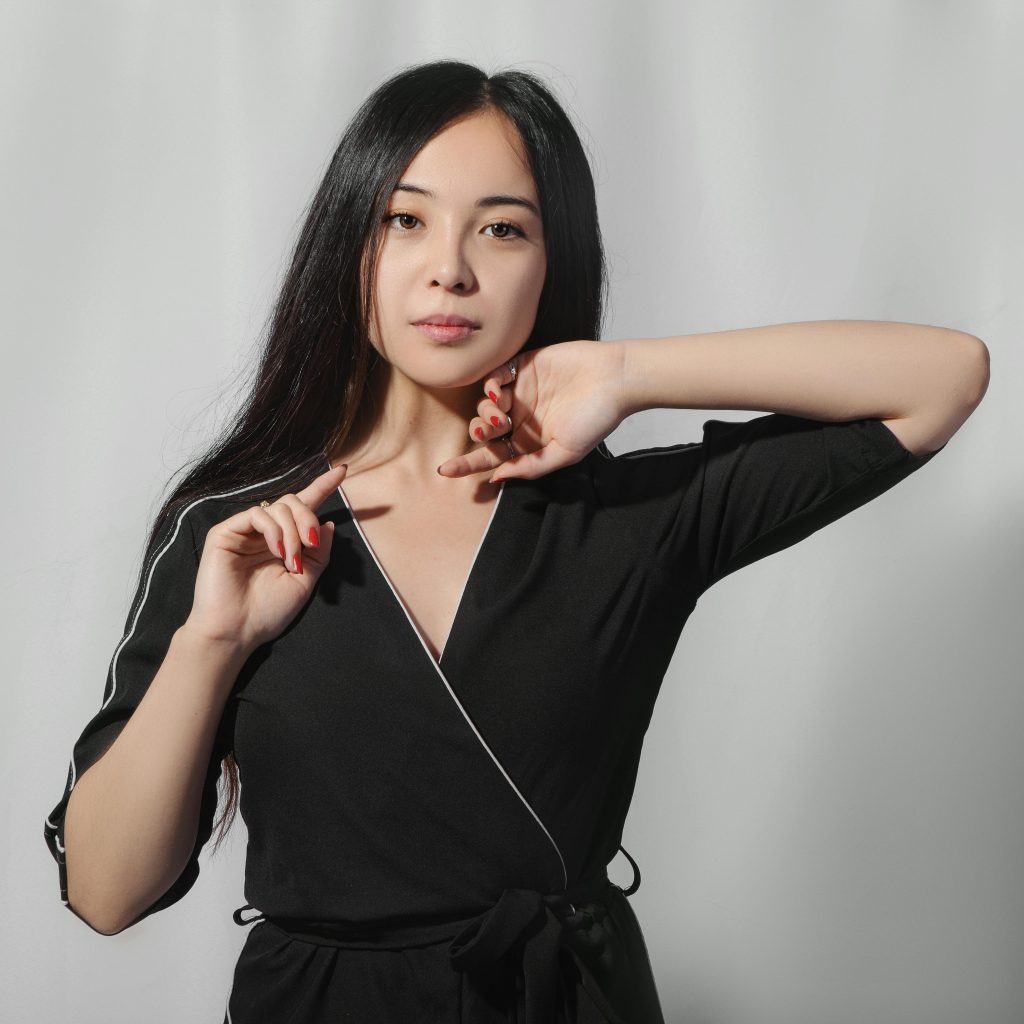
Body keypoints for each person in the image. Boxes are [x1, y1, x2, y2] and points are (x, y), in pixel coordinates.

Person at [43, 58, 989, 1024]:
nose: (450, 268)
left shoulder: (626, 514)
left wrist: (628, 372)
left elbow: (944, 377)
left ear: (553, 260)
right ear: (348, 243)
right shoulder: (235, 535)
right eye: (403, 220)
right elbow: (105, 893)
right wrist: (213, 641)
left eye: (502, 228)